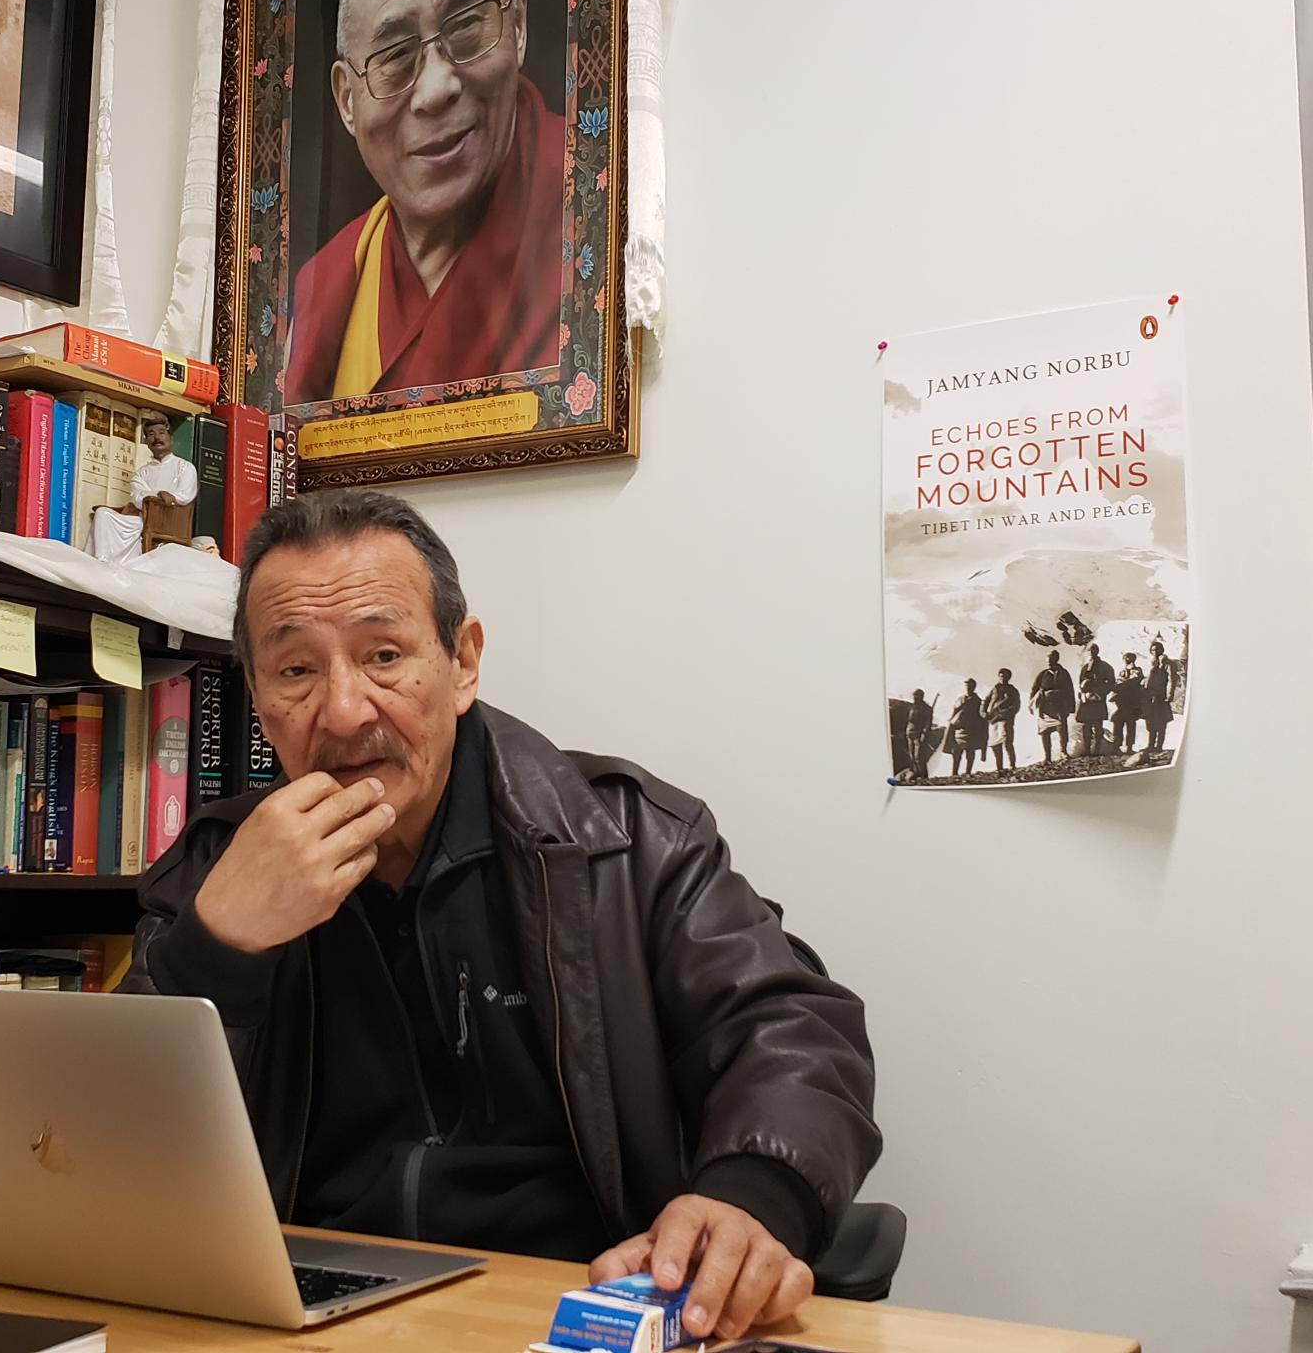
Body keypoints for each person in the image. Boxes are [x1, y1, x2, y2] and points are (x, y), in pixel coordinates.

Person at [124, 491, 879, 1343]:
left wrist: (749, 1198)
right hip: (298, 1319)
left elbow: (793, 1030)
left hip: (567, 1311)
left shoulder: (625, 841)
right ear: (258, 698)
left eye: (383, 655)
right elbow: (106, 1145)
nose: (343, 712)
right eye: (296, 670)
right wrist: (218, 946)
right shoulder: (212, 871)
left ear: (463, 662)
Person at [283, 0, 564, 404]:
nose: (436, 89)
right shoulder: (323, 287)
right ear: (347, 100)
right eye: (394, 54)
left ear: (518, 23)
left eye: (467, 25)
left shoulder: (594, 212)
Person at [87, 414, 201, 563]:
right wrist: (158, 494)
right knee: (103, 513)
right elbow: (137, 497)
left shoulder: (185, 467)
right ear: (146, 442)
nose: (157, 438)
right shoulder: (141, 473)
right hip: (143, 519)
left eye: (161, 433)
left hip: (170, 519)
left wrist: (169, 497)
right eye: (151, 434)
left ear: (171, 438)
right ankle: (101, 559)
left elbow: (186, 494)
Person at [1028, 649, 1074, 762]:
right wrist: (1032, 705)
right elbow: (1034, 689)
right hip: (1045, 708)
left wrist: (1070, 707)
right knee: (1045, 732)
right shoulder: (1043, 674)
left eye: (1051, 659)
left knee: (1062, 729)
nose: (1049, 662)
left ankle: (1063, 751)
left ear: (1056, 659)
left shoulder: (1064, 673)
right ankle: (1047, 756)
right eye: (1048, 660)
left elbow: (1069, 690)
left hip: (1060, 706)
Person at [1076, 645, 1114, 759]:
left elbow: (1111, 682)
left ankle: (1097, 749)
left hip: (1098, 699)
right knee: (1086, 726)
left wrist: (1101, 693)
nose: (1092, 652)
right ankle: (1087, 749)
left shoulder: (1105, 667)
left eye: (1094, 650)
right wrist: (1083, 692)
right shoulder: (1085, 667)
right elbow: (1080, 682)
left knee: (1098, 725)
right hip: (1087, 700)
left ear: (1098, 651)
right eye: (1090, 650)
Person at [983, 669, 1020, 774]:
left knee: (1007, 743)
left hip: (1005, 720)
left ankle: (1012, 766)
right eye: (1000, 676)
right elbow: (985, 701)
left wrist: (1004, 713)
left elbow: (1016, 706)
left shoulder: (1013, 691)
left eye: (1004, 677)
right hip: (993, 720)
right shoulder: (994, 689)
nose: (1002, 678)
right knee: (995, 745)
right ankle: (999, 767)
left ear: (1009, 678)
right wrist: (984, 713)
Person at [1144, 638, 1179, 752]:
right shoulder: (1151, 663)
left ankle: (1159, 746)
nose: (1155, 651)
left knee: (1161, 722)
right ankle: (1150, 745)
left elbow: (1171, 680)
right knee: (1150, 721)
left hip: (1161, 696)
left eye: (1157, 649)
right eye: (1153, 650)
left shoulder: (1167, 663)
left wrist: (1169, 694)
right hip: (1150, 697)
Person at [947, 680, 984, 777]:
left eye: (970, 686)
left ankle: (968, 772)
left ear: (974, 687)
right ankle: (954, 773)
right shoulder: (959, 699)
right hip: (958, 730)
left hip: (971, 731)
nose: (968, 688)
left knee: (970, 752)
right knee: (956, 753)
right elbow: (954, 712)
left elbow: (981, 717)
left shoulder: (977, 701)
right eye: (966, 686)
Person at [1111, 652, 1145, 755]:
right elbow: (1118, 683)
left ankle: (1129, 747)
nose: (1127, 659)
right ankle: (1117, 746)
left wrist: (1122, 684)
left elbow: (1133, 681)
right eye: (1125, 657)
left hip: (1132, 703)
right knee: (1118, 722)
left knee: (1130, 725)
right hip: (1122, 703)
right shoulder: (1122, 672)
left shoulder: (1137, 670)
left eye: (1129, 657)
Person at [904, 689, 933, 779]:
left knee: (919, 757)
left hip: (919, 735)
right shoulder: (912, 707)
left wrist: (924, 734)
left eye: (916, 696)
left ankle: (924, 776)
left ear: (921, 696)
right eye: (914, 696)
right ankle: (916, 773)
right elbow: (909, 720)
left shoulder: (926, 709)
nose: (914, 698)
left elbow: (927, 724)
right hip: (910, 733)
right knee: (912, 756)